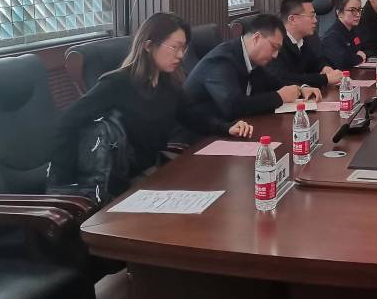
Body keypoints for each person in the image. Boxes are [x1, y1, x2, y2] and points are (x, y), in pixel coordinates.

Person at [55, 13, 214, 184]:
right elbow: (66, 122)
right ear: (148, 45)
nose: (181, 55)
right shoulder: (117, 83)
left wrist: (227, 128)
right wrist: (64, 183)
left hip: (152, 172)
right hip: (120, 183)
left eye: (184, 48)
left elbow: (192, 118)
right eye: (175, 47)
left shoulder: (168, 83)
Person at [183, 14, 318, 134]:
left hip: (232, 128)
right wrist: (279, 97)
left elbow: (274, 82)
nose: (275, 55)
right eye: (274, 47)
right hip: (199, 137)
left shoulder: (249, 57)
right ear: (256, 38)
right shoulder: (221, 60)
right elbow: (234, 105)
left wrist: (301, 88)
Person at [269, 0, 344, 89]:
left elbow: (316, 61)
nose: (315, 20)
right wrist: (324, 79)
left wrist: (325, 68)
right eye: (311, 16)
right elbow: (285, 79)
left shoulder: (306, 39)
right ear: (292, 19)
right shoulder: (274, 44)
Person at [321, 0, 367, 70]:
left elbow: (358, 51)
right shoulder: (332, 36)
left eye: (359, 10)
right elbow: (343, 63)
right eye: (352, 10)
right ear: (339, 13)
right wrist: (360, 57)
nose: (358, 14)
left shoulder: (352, 30)